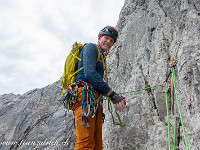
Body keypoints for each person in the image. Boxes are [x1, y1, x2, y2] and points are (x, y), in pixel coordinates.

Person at [71, 25, 126, 150]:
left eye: (112, 41)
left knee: (97, 145)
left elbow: (95, 79)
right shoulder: (91, 48)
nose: (109, 42)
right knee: (85, 143)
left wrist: (111, 94)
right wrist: (112, 95)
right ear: (100, 37)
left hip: (93, 100)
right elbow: (89, 73)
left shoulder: (101, 57)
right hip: (84, 97)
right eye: (106, 38)